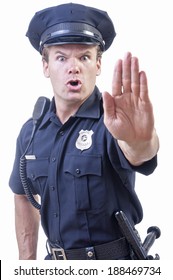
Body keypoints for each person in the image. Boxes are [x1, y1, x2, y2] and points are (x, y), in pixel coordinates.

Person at [9, 3, 159, 260]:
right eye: (61, 57)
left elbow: (138, 152)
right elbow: (23, 194)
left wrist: (141, 139)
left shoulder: (113, 123)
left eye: (84, 57)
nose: (73, 67)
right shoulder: (30, 132)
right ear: (45, 66)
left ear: (98, 65)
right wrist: (26, 265)